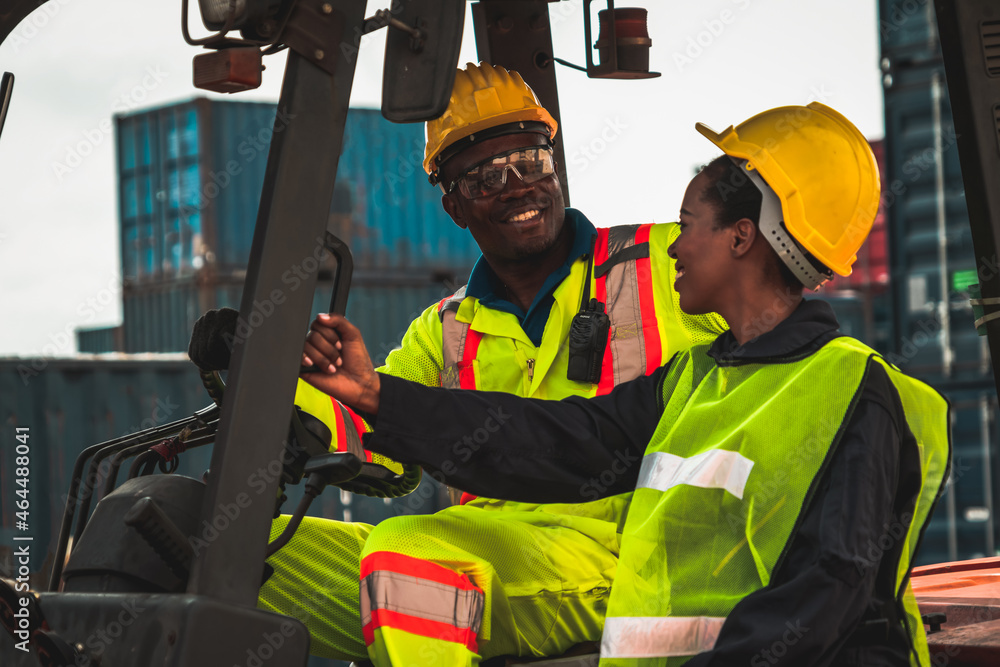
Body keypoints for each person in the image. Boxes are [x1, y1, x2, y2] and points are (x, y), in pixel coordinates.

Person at [298, 102, 952, 666]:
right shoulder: (696, 380)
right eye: (487, 175)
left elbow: (825, 590)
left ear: (743, 238)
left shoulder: (854, 391)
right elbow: (560, 442)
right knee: (236, 552)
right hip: (624, 619)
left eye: (689, 224)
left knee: (408, 556)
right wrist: (374, 396)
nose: (672, 246)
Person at [189, 62, 726, 664]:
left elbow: (775, 320)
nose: (519, 186)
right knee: (200, 540)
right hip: (488, 567)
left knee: (408, 558)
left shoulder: (663, 264)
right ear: (453, 207)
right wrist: (274, 376)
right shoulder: (444, 330)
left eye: (531, 162)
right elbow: (377, 452)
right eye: (486, 178)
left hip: (635, 562)